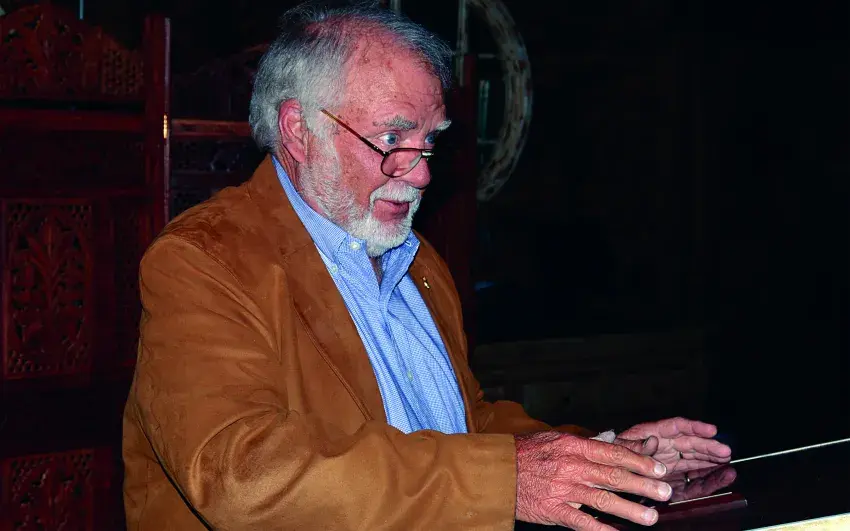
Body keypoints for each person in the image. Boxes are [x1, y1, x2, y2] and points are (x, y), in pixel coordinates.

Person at [122, 2, 732, 529]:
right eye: (393, 140)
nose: (420, 175)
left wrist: (605, 458)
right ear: (299, 131)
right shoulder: (202, 262)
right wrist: (506, 482)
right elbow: (240, 474)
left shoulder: (417, 260)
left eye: (430, 140)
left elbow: (461, 426)